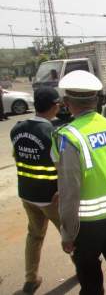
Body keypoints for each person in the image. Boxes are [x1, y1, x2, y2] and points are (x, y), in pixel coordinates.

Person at [51, 70, 106, 294]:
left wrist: (68, 234)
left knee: (90, 278)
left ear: (67, 103)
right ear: (97, 100)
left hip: (89, 222)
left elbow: (69, 192)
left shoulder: (68, 136)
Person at [10, 87, 61, 294]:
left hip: (27, 193)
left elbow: (16, 156)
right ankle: (84, 269)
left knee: (34, 235)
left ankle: (31, 279)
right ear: (54, 105)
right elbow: (62, 167)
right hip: (51, 197)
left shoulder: (16, 129)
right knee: (72, 234)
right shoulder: (52, 133)